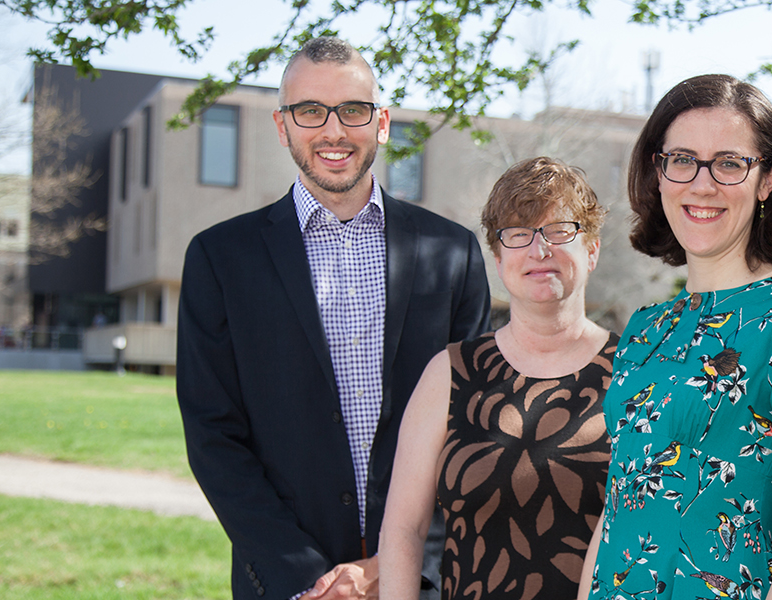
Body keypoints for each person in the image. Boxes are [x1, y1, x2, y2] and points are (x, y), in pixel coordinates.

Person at [177, 36, 490, 600]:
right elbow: (212, 436)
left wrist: (396, 564)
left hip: (418, 583)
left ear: (383, 122)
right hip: (286, 585)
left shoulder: (454, 252)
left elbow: (469, 427)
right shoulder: (220, 259)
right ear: (282, 126)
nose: (333, 131)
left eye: (353, 110)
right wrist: (308, 577)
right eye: (309, 111)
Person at [575, 74, 772, 600]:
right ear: (658, 174)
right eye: (682, 160)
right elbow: (617, 512)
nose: (702, 185)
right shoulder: (645, 329)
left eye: (729, 164)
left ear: (768, 179)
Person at [381, 157, 616, 600]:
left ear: (592, 249)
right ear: (497, 254)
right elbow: (403, 529)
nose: (539, 250)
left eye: (560, 230)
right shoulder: (450, 373)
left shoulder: (635, 373)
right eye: (518, 234)